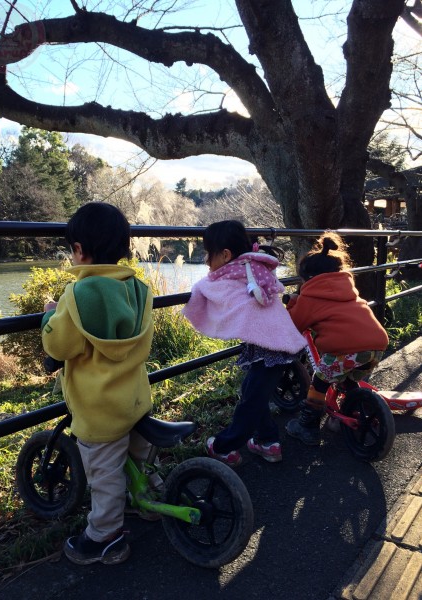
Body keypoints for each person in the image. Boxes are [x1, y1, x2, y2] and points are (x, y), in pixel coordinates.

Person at [41, 202, 158, 566]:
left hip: (101, 410)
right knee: (142, 457)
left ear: (79, 250)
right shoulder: (139, 289)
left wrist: (49, 314)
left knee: (104, 474)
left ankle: (106, 535)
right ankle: (153, 502)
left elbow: (59, 345)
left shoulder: (78, 296)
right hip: (136, 397)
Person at [182, 220, 306, 466]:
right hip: (272, 345)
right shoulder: (254, 267)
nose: (207, 260)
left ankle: (224, 446)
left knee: (251, 400)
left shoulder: (229, 275)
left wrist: (195, 296)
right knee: (254, 393)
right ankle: (267, 441)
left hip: (268, 347)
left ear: (225, 254)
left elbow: (206, 287)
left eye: (209, 253)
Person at [285, 232, 389, 446]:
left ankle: (308, 427)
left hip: (346, 350)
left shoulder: (309, 296)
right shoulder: (349, 290)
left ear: (308, 278)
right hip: (376, 347)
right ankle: (353, 409)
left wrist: (294, 304)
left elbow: (295, 324)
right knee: (348, 378)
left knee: (320, 380)